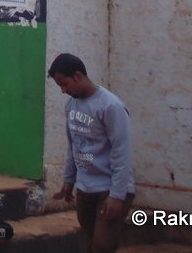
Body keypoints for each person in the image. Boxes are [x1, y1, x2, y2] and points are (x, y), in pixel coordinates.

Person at [48, 53, 135, 253]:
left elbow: (122, 151)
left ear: (78, 75)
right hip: (85, 188)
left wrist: (117, 195)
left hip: (111, 188)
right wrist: (69, 180)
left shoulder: (111, 106)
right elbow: (73, 144)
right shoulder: (71, 105)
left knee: (102, 246)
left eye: (65, 84)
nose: (63, 90)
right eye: (59, 86)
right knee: (89, 244)